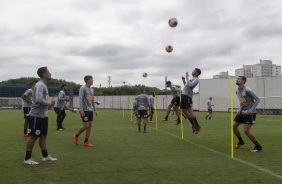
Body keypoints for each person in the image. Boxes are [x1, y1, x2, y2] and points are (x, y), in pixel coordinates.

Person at [23, 67, 57, 165]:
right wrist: (50, 103)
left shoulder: (43, 85)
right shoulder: (40, 85)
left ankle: (45, 156)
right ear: (44, 74)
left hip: (43, 116)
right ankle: (27, 158)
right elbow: (38, 99)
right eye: (49, 72)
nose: (51, 74)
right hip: (36, 116)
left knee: (43, 136)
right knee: (33, 137)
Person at [233, 76, 262, 152]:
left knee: (246, 130)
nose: (237, 80)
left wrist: (252, 109)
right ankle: (241, 141)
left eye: (239, 79)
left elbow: (257, 99)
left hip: (250, 113)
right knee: (233, 126)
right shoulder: (237, 91)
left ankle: (258, 146)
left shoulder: (248, 90)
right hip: (242, 112)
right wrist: (240, 109)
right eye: (237, 79)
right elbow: (242, 102)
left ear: (243, 81)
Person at [73, 75, 97, 147]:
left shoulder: (92, 89)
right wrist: (81, 109)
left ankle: (86, 142)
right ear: (87, 80)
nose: (93, 80)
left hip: (90, 110)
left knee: (89, 126)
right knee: (86, 125)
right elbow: (80, 99)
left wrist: (94, 109)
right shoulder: (82, 88)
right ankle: (76, 136)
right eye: (91, 79)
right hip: (84, 110)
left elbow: (92, 100)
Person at [181, 68, 201, 134]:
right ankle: (193, 124)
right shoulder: (192, 79)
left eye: (194, 70)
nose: (192, 71)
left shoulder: (196, 79)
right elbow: (187, 85)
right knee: (183, 110)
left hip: (187, 96)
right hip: (184, 95)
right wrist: (184, 81)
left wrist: (187, 77)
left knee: (189, 110)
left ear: (197, 73)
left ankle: (197, 125)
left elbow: (190, 85)